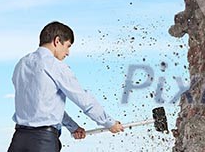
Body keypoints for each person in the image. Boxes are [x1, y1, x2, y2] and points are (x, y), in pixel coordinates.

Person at [8, 21, 124, 151]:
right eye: (68, 46)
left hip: (18, 140)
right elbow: (84, 100)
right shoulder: (55, 65)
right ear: (57, 41)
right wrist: (109, 123)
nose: (68, 52)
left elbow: (45, 106)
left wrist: (72, 127)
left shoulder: (22, 64)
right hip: (43, 142)